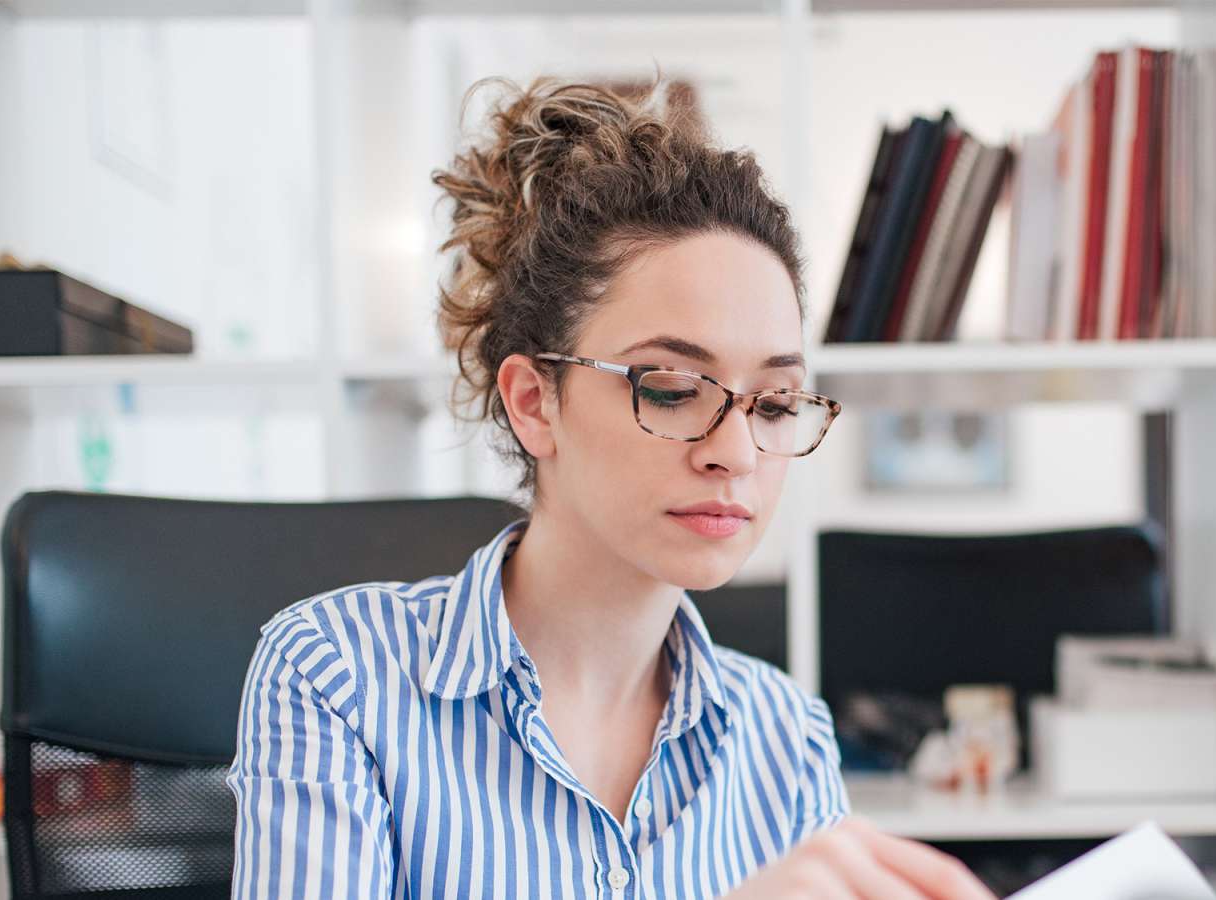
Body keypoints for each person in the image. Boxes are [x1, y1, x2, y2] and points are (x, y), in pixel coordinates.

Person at [225, 73, 997, 900]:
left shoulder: (785, 736)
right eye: (669, 387)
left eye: (774, 402)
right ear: (535, 403)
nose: (736, 452)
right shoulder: (338, 674)